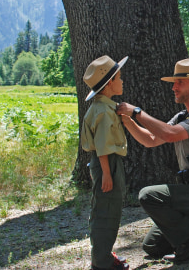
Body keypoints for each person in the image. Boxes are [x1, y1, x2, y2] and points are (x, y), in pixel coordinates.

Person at [117, 58, 189, 263]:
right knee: (152, 246)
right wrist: (128, 120)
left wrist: (137, 111)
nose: (173, 87)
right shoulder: (183, 116)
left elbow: (169, 134)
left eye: (179, 82)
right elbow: (151, 139)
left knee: (147, 195)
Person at [81, 55, 130, 270]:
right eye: (119, 77)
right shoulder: (103, 111)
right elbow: (102, 145)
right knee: (107, 210)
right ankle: (102, 262)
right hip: (106, 163)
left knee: (106, 207)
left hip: (106, 162)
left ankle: (104, 254)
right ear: (109, 84)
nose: (122, 81)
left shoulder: (103, 107)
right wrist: (107, 174)